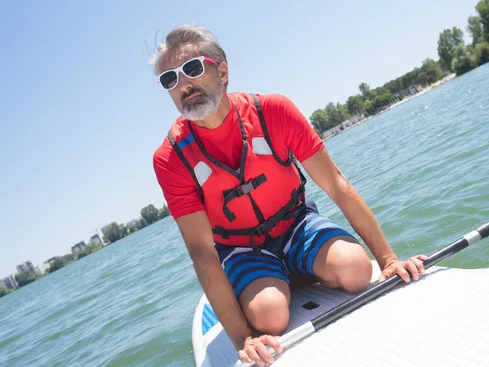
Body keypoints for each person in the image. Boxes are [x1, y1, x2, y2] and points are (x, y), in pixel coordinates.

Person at [151, 24, 427, 367]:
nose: (183, 85)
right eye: (170, 80)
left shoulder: (273, 112)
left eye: (191, 69)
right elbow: (202, 250)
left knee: (357, 271)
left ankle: (289, 271)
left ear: (221, 70)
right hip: (241, 247)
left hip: (296, 223)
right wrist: (242, 337)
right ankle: (274, 280)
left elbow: (336, 184)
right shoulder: (170, 158)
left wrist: (387, 260)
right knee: (270, 317)